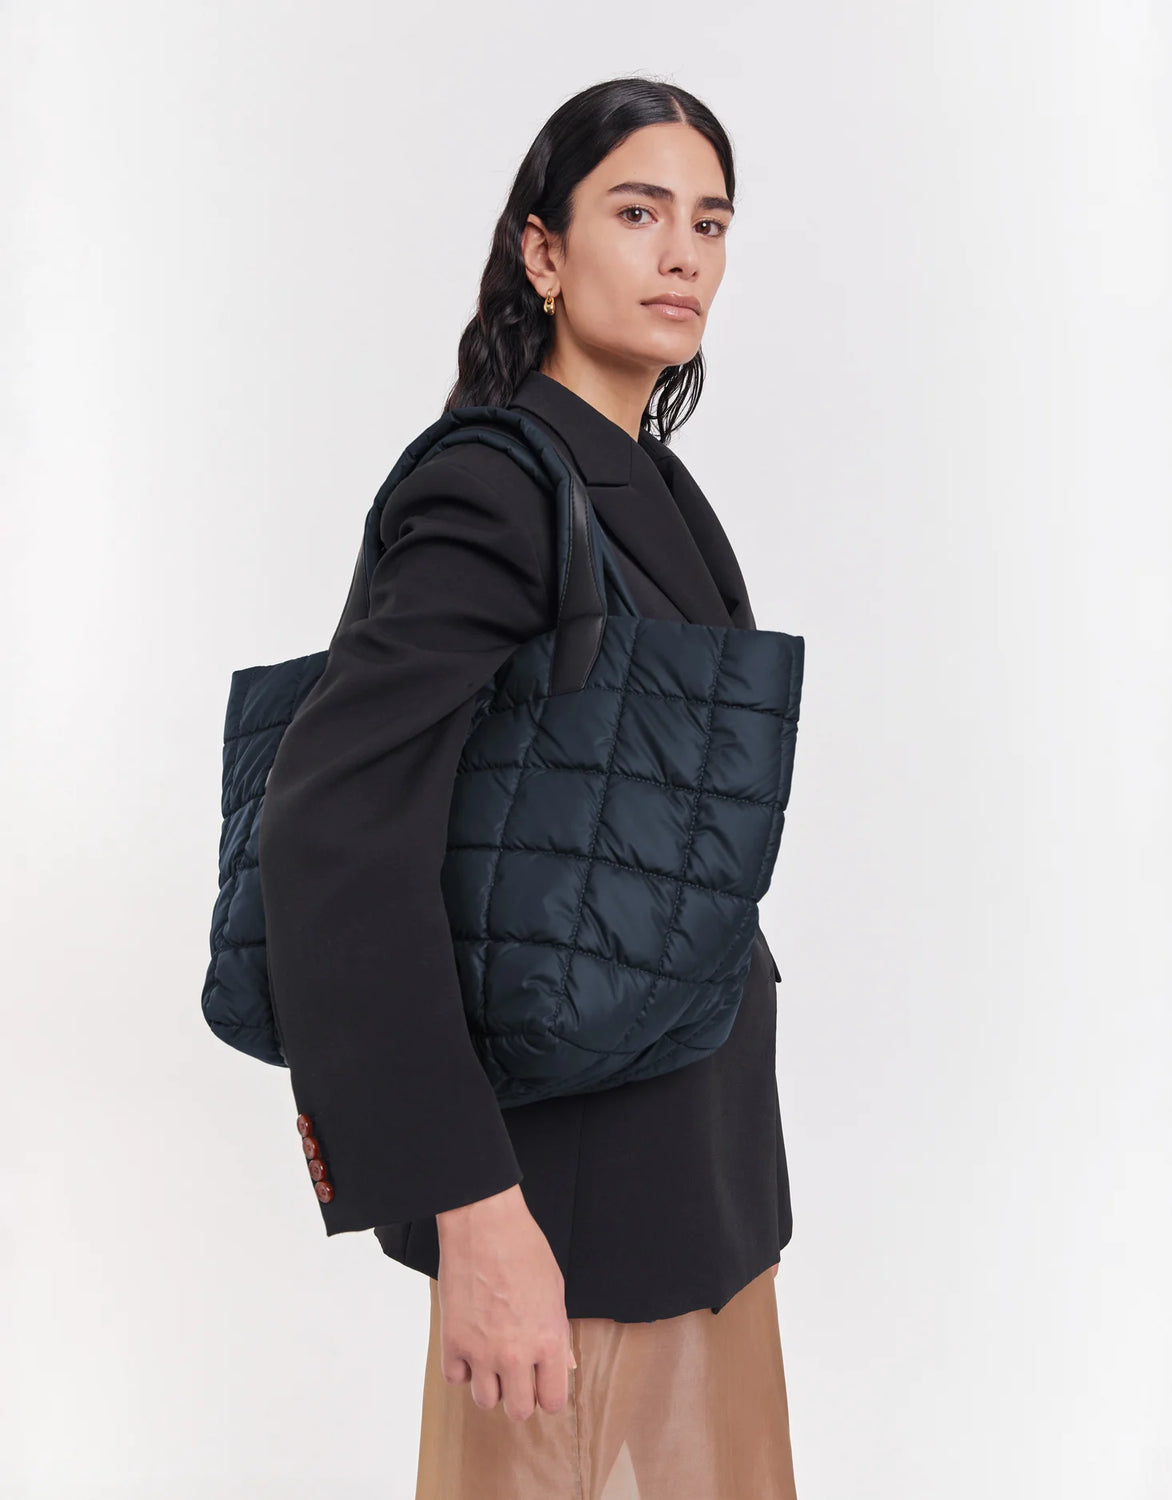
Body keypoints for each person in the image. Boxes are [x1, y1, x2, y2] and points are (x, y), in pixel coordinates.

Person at [258, 76, 798, 1498]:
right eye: (638, 212)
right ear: (542, 252)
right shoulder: (498, 485)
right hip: (561, 1216)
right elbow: (333, 830)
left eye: (710, 222)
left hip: (694, 1192)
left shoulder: (649, 484)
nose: (683, 254)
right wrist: (473, 1209)